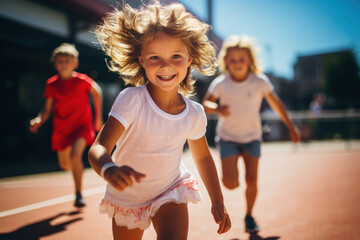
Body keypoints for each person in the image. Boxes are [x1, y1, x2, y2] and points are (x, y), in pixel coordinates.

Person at [88, 2, 231, 239]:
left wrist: (217, 199)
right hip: (128, 198)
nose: (166, 65)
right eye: (155, 57)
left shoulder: (194, 112)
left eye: (176, 55)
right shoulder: (132, 99)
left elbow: (203, 156)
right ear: (142, 60)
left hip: (170, 190)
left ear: (190, 59)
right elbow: (99, 147)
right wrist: (108, 168)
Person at [202, 35, 301, 233]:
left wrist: (291, 126)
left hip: (252, 138)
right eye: (232, 60)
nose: (237, 63)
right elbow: (205, 103)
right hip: (228, 138)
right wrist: (218, 108)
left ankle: (248, 215)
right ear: (226, 62)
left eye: (242, 59)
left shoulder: (259, 82)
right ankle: (233, 175)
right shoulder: (221, 83)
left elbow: (276, 104)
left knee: (252, 180)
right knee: (230, 183)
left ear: (250, 61)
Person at [30, 43, 103, 208]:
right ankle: (77, 170)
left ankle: (78, 195)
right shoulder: (52, 84)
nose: (64, 63)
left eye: (67, 60)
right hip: (62, 128)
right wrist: (38, 120)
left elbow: (97, 92)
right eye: (60, 61)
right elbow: (46, 110)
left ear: (75, 63)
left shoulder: (82, 81)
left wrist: (97, 119)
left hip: (82, 126)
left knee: (75, 157)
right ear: (55, 64)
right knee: (65, 164)